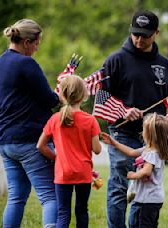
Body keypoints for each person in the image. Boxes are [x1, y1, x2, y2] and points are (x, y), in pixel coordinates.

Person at [97, 10, 168, 228]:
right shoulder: (115, 61)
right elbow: (102, 99)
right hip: (123, 133)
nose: (139, 40)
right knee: (120, 186)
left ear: (156, 33)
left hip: (154, 138)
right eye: (135, 34)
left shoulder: (166, 66)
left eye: (145, 35)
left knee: (147, 187)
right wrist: (122, 111)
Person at [0, 19, 59, 227]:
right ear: (27, 42)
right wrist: (61, 94)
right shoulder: (26, 64)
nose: (37, 49)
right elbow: (49, 99)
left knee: (16, 196)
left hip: (3, 140)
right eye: (37, 44)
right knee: (50, 196)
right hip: (28, 140)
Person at [37, 75, 102, 228]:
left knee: (63, 213)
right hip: (83, 173)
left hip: (62, 173)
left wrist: (56, 157)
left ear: (62, 95)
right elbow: (97, 150)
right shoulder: (90, 120)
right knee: (81, 211)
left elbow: (40, 145)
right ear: (84, 95)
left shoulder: (55, 119)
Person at [101, 113, 168, 228]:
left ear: (151, 134)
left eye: (144, 129)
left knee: (138, 224)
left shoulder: (152, 154)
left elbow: (146, 171)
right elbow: (131, 152)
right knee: (135, 223)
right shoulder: (148, 150)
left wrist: (133, 175)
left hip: (147, 201)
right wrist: (115, 143)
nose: (142, 132)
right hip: (146, 199)